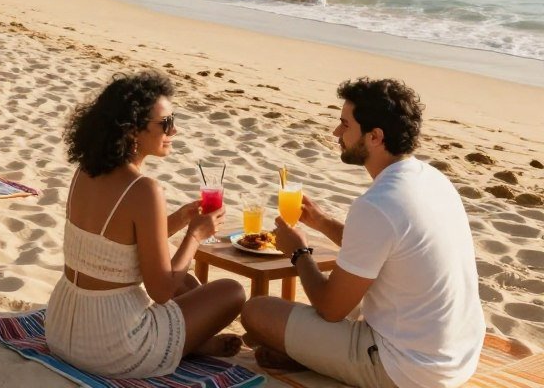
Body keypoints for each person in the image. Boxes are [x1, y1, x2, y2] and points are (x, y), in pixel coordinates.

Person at [242, 77, 484, 388]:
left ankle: (313, 357)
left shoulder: (378, 204)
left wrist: (299, 253)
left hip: (407, 369)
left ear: (374, 137)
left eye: (345, 124)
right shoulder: (431, 179)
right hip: (459, 356)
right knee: (331, 299)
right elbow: (388, 249)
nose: (336, 133)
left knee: (256, 312)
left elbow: (331, 309)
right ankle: (309, 354)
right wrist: (323, 222)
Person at [44, 72, 244, 379]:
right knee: (232, 292)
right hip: (113, 347)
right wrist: (194, 235)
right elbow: (161, 290)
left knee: (188, 285)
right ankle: (188, 345)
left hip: (61, 329)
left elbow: (115, 245)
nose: (174, 130)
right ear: (132, 131)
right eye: (165, 124)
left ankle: (194, 342)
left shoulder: (85, 171)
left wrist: (178, 219)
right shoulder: (144, 189)